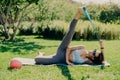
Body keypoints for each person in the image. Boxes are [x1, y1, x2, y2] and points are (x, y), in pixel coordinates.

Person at [35, 7, 105, 65]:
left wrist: (66, 60)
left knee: (37, 60)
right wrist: (101, 46)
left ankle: (41, 54)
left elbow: (102, 61)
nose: (93, 51)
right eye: (95, 50)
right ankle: (79, 13)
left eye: (94, 52)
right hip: (63, 49)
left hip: (59, 58)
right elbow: (69, 48)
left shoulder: (87, 61)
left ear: (93, 58)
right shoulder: (82, 47)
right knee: (71, 32)